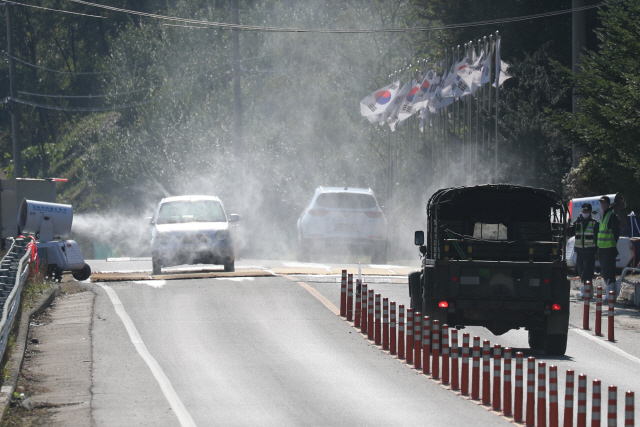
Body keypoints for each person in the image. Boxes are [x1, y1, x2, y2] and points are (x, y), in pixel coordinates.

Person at [569, 203, 599, 297]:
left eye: (586, 211)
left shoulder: (594, 223)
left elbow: (598, 238)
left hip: (589, 252)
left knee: (587, 272)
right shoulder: (577, 222)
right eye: (583, 211)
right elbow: (569, 231)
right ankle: (587, 290)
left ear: (590, 212)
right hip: (579, 251)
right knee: (581, 272)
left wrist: (596, 252)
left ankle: (586, 291)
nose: (584, 212)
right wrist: (568, 224)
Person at [597, 195, 621, 301]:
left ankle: (611, 294)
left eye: (604, 203)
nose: (602, 205)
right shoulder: (604, 215)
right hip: (602, 248)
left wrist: (612, 244)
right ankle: (609, 292)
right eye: (601, 203)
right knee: (604, 271)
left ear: (608, 204)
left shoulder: (611, 216)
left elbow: (616, 232)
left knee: (609, 271)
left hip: (609, 248)